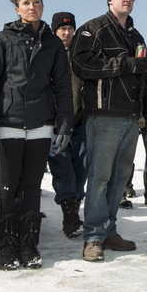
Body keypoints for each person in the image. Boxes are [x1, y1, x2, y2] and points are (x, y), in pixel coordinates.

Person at [0, 0, 73, 270]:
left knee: (32, 186)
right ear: (17, 7)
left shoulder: (52, 42)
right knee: (8, 187)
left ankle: (29, 245)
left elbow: (62, 88)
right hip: (9, 122)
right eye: (26, 3)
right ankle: (6, 248)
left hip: (40, 124)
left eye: (36, 2)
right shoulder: (3, 39)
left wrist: (65, 124)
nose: (33, 7)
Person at [70, 0, 147, 262]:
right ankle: (93, 237)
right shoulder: (92, 30)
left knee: (119, 179)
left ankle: (109, 231)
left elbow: (142, 77)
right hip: (103, 115)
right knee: (100, 178)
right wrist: (125, 64)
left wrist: (143, 112)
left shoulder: (136, 36)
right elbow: (81, 65)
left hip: (130, 117)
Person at [47, 12, 86, 238]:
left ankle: (74, 205)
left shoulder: (81, 54)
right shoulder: (47, 53)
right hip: (54, 123)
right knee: (63, 170)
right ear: (55, 31)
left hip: (80, 121)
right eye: (62, 28)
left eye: (70, 28)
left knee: (80, 168)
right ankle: (69, 213)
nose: (66, 32)